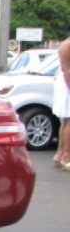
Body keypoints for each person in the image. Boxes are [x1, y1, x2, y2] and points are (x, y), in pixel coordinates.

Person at [54, 37, 70, 170]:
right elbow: (67, 70)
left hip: (65, 83)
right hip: (67, 84)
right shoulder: (67, 46)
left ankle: (60, 155)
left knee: (65, 121)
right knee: (69, 121)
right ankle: (67, 157)